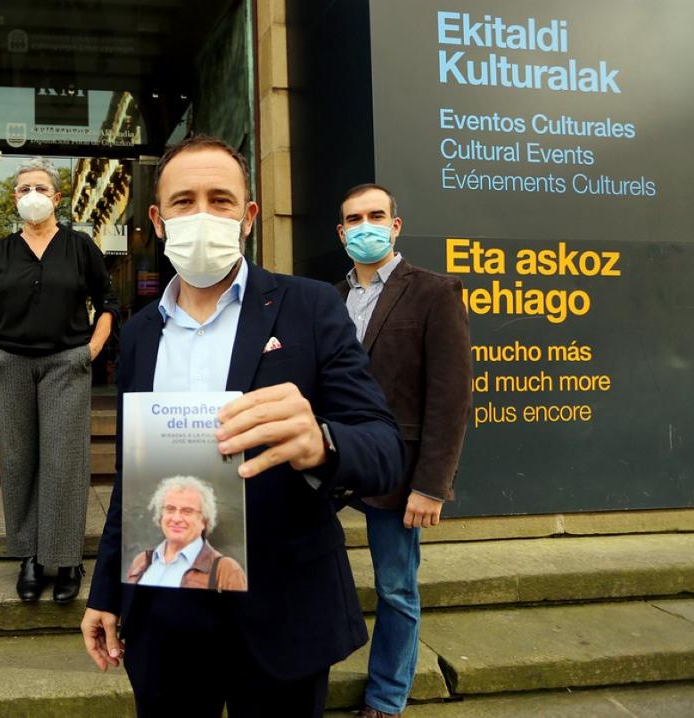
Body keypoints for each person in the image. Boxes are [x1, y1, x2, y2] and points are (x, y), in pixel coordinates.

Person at [80, 135, 403, 717]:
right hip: (165, 618)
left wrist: (322, 442)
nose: (202, 214)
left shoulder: (309, 307)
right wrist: (106, 591)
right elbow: (132, 476)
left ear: (249, 216)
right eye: (184, 201)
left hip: (284, 616)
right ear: (157, 219)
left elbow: (383, 446)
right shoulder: (138, 334)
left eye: (221, 199)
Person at [334, 184, 472, 718]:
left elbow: (451, 397)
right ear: (341, 231)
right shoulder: (330, 297)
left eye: (375, 216)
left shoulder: (435, 292)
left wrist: (431, 485)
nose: (364, 226)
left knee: (395, 588)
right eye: (353, 218)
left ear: (395, 225)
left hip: (399, 470)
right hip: (334, 460)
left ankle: (386, 698)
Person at [0, 158, 120, 604]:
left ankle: (67, 556)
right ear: (15, 199)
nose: (30, 195)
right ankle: (30, 557)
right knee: (18, 461)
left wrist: (89, 351)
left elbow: (108, 301)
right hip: (8, 365)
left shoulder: (79, 246)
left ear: (57, 197)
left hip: (64, 364)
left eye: (39, 187)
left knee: (63, 460)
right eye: (21, 189)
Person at [126, 475, 246, 591]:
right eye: (170, 509)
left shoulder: (226, 570)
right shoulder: (141, 561)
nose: (176, 519)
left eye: (187, 511)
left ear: (204, 521)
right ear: (161, 515)